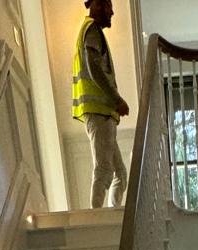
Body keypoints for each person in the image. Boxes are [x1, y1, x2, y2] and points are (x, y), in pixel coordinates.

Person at [72, 0, 130, 208]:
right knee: (104, 170)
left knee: (120, 173)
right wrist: (117, 100)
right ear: (96, 5)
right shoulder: (92, 30)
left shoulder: (92, 31)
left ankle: (115, 214)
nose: (112, 12)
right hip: (99, 113)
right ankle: (95, 216)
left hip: (103, 113)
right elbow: (94, 67)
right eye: (108, 6)